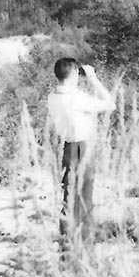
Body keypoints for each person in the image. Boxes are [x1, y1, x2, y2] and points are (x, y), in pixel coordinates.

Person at [46, 57, 114, 246]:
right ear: (75, 73)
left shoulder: (53, 96)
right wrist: (93, 78)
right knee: (84, 197)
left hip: (67, 147)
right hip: (82, 147)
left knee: (69, 195)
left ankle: (66, 238)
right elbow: (111, 104)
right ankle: (82, 240)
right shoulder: (76, 98)